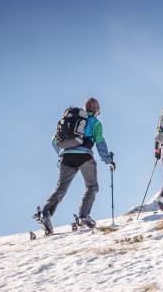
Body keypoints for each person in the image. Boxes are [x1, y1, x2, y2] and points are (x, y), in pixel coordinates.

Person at [38, 97, 115, 234]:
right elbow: (100, 143)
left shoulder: (72, 121)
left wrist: (62, 153)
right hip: (84, 156)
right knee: (92, 186)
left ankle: (45, 213)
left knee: (61, 188)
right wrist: (109, 160)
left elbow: (54, 141)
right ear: (96, 110)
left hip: (66, 157)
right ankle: (83, 217)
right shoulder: (95, 123)